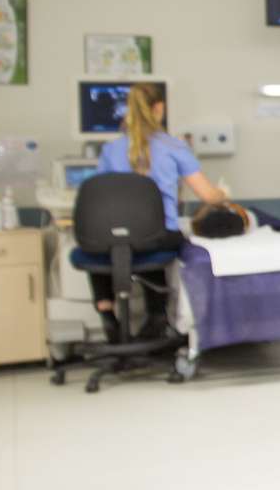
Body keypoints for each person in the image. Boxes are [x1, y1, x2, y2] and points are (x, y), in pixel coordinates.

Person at [89, 81, 226, 339]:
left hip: (116, 236)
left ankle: (107, 312)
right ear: (159, 108)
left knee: (102, 243)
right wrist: (223, 194)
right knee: (152, 238)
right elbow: (208, 195)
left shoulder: (110, 150)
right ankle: (157, 315)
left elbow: (98, 198)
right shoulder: (174, 148)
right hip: (156, 236)